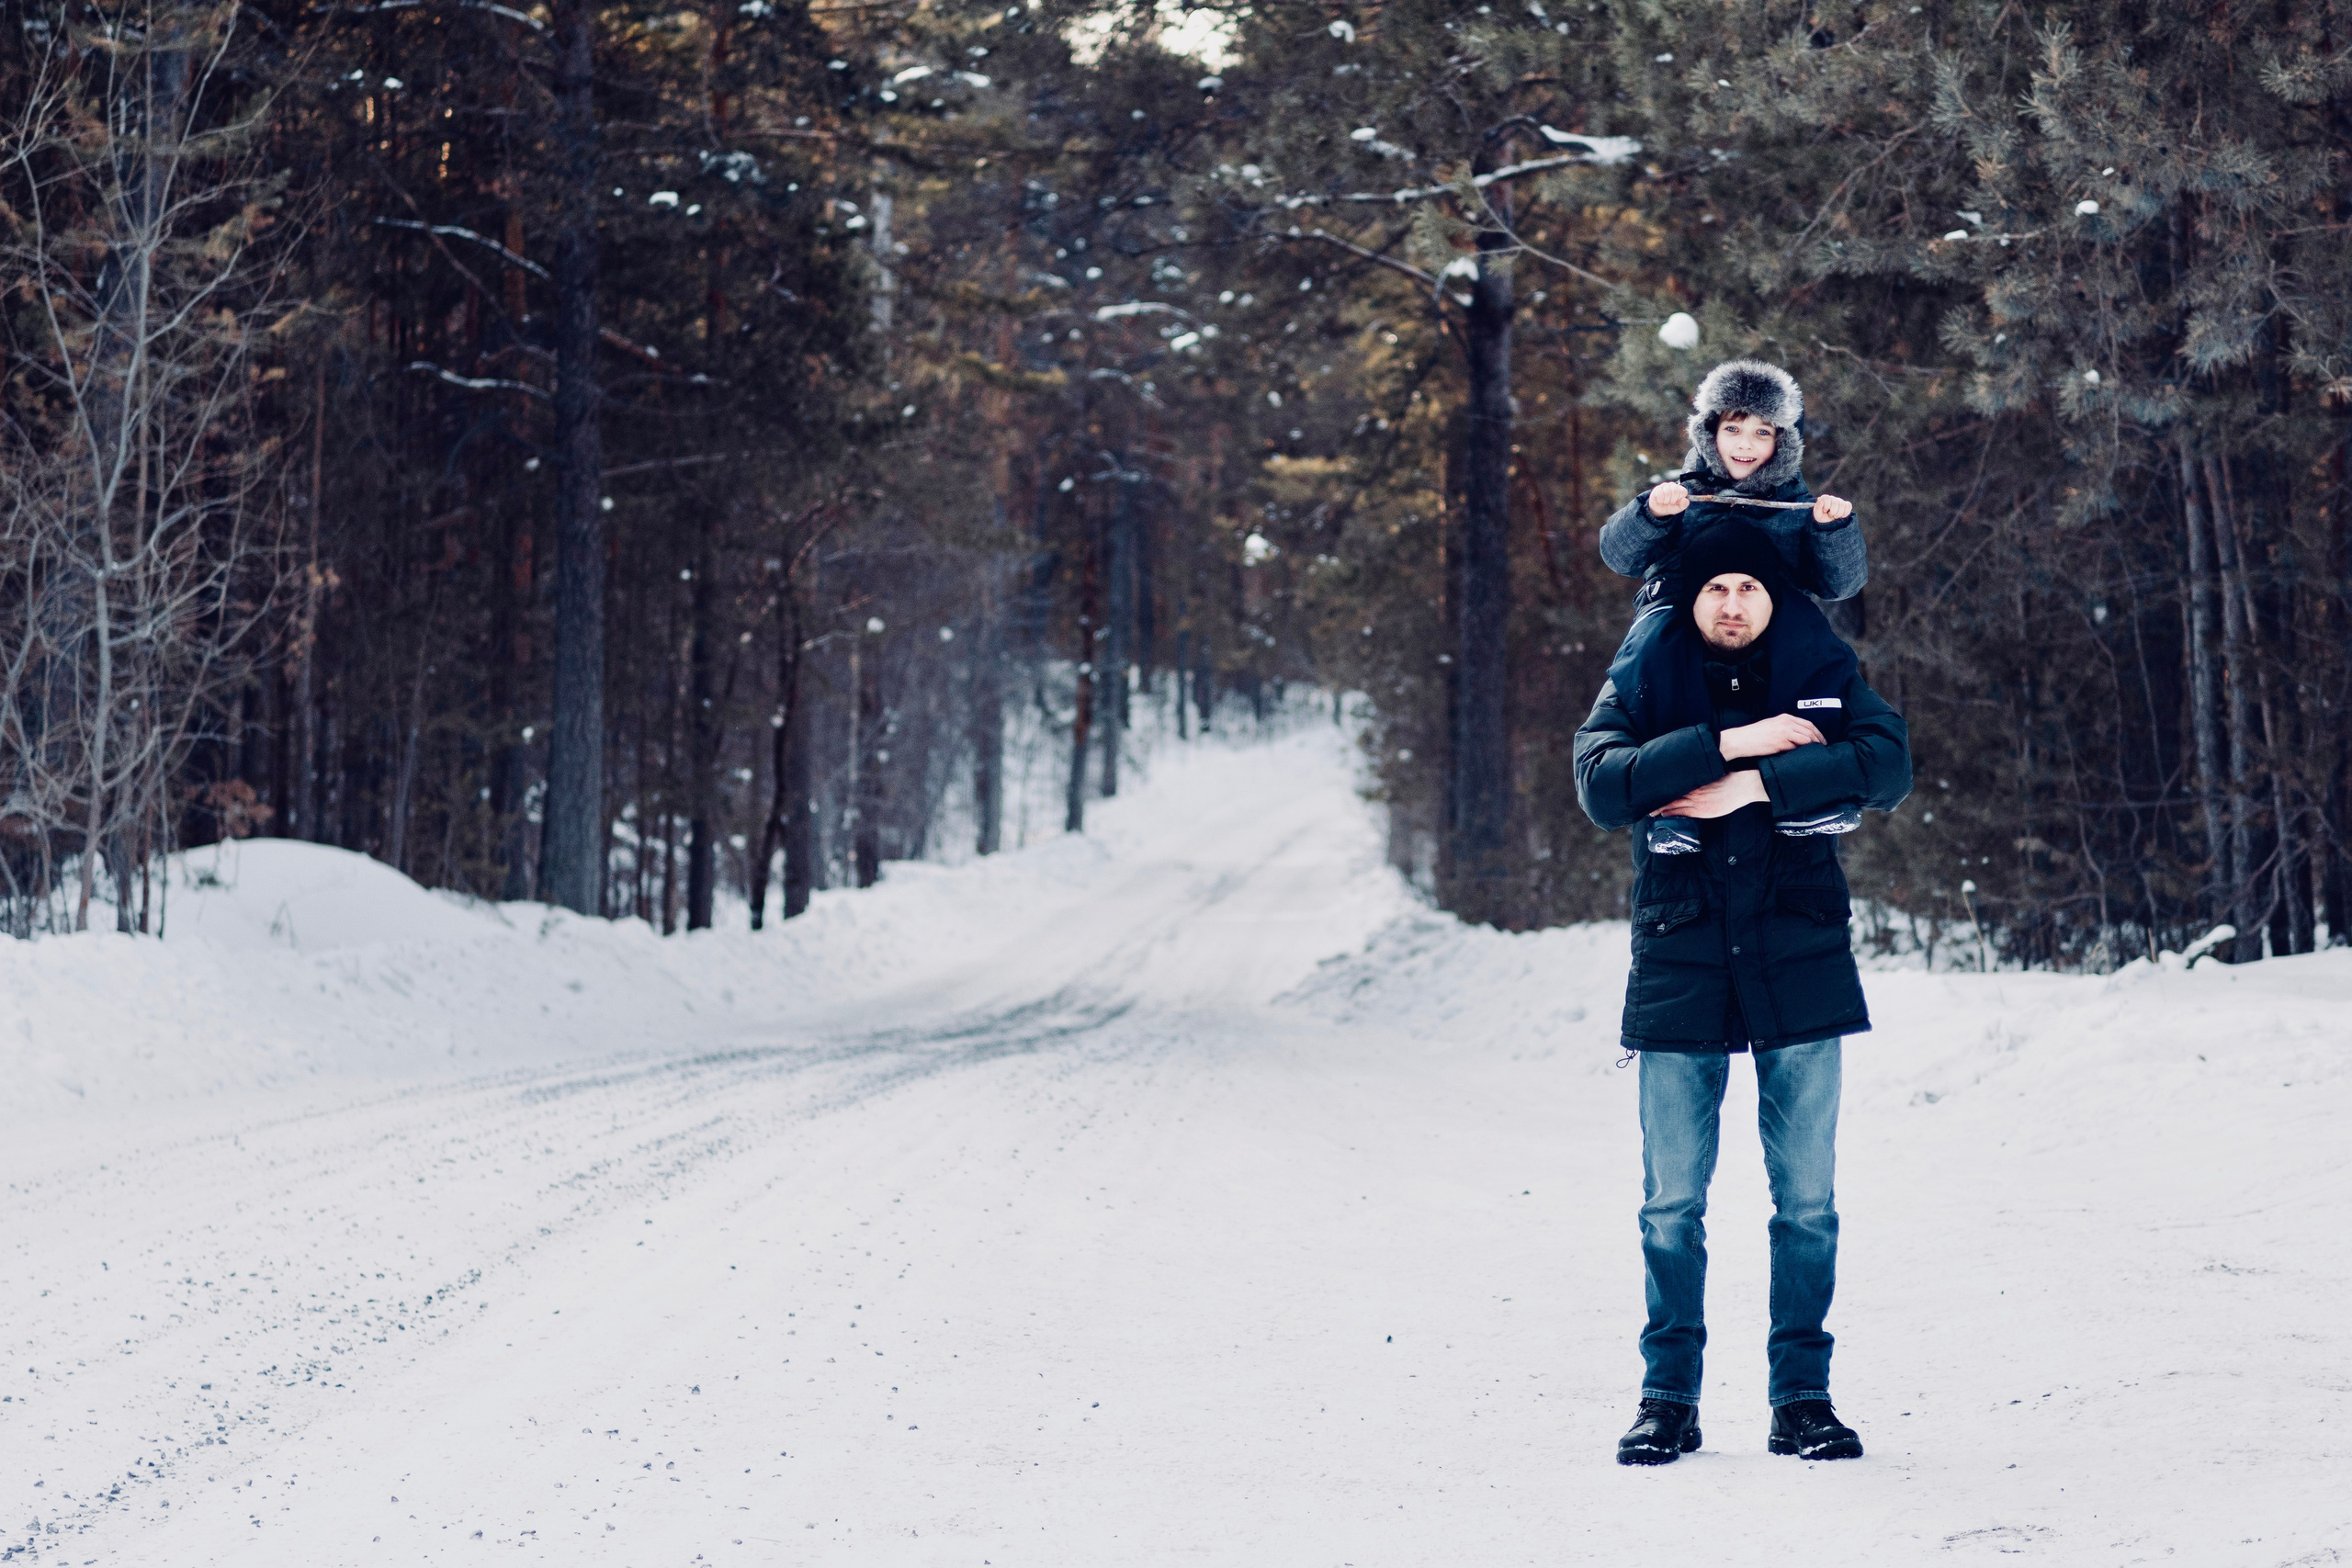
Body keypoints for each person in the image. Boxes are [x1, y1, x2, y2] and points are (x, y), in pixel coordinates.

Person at [1571, 522, 1912, 1467]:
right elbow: (1601, 784)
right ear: (1690, 597)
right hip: (1681, 964)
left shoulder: (1820, 663)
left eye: (1748, 589)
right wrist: (1730, 740)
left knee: (1806, 1201)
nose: (1730, 603)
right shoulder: (1647, 671)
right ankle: (1665, 1399)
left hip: (1795, 959)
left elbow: (1888, 763)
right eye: (1714, 587)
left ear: (1774, 599)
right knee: (1670, 1205)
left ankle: (1802, 1398)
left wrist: (1750, 786)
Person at [1599, 357, 1867, 608]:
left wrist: (1833, 530)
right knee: (1647, 649)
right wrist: (1651, 514)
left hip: (1774, 626)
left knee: (1813, 643)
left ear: (1782, 442)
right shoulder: (1679, 500)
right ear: (1711, 433)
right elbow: (1620, 558)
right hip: (1680, 616)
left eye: (1762, 432)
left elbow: (1842, 586)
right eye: (1732, 429)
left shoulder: (1798, 510)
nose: (1745, 444)